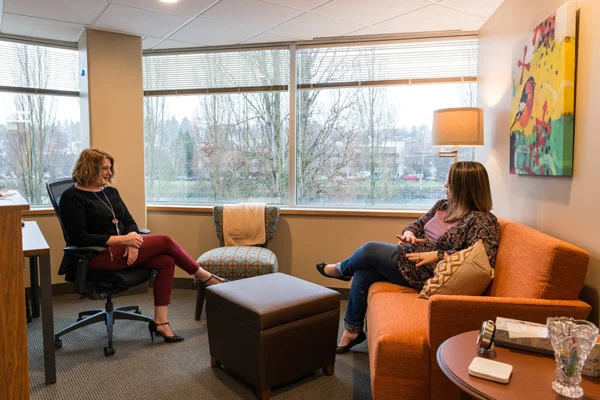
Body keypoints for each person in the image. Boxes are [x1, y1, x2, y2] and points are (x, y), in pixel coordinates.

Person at [316, 161, 499, 353]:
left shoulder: (483, 221)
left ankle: (341, 270)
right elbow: (416, 225)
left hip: (428, 272)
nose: (445, 185)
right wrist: (409, 234)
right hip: (412, 257)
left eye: (450, 182)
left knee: (370, 249)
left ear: (464, 187)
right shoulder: (443, 206)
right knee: (365, 271)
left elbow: (481, 259)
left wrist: (438, 255)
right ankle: (352, 331)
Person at [59, 148, 227, 343]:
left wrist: (133, 242)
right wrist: (124, 240)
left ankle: (161, 322)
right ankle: (206, 278)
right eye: (105, 168)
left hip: (122, 251)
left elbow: (130, 222)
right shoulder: (72, 197)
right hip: (95, 256)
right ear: (89, 168)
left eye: (110, 168)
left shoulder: (110, 192)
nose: (110, 173)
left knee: (166, 261)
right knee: (164, 241)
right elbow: (79, 238)